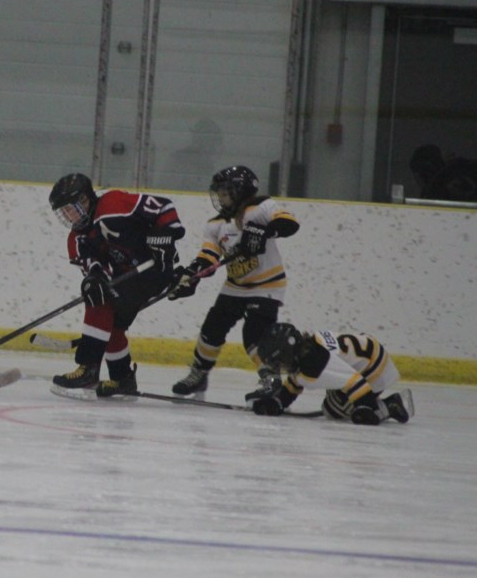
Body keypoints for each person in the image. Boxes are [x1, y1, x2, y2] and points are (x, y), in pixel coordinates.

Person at [168, 165, 299, 403]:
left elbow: (289, 224)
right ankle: (200, 373)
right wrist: (192, 275)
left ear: (241, 191)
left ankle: (270, 378)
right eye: (218, 192)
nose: (220, 197)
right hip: (235, 287)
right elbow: (208, 257)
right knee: (212, 328)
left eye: (225, 192)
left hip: (267, 285)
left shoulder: (262, 208)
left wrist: (262, 231)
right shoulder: (215, 225)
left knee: (255, 335)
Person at [48, 173, 185, 397]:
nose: (67, 215)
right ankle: (122, 379)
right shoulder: (76, 239)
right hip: (128, 278)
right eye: (63, 212)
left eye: (69, 208)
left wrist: (164, 237)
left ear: (84, 200)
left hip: (154, 269)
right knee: (107, 314)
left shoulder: (113, 204)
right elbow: (95, 267)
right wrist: (94, 279)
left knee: (102, 302)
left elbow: (164, 208)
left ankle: (88, 368)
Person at [251, 322, 413, 425]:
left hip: (374, 369)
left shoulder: (315, 363)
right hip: (370, 354)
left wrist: (366, 408)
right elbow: (297, 380)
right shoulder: (307, 349)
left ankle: (391, 406)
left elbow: (354, 381)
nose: (282, 367)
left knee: (333, 409)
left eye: (280, 362)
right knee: (336, 396)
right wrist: (278, 402)